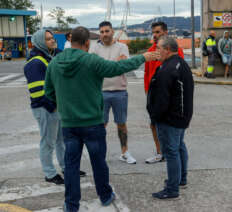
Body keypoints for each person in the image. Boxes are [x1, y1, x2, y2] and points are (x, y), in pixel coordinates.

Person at [44, 26, 159, 212]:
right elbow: (117, 68)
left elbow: (48, 92)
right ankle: (105, 196)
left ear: (71, 41)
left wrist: (64, 105)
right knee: (98, 162)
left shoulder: (55, 63)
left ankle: (71, 204)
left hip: (69, 124)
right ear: (87, 43)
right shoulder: (91, 60)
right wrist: (142, 58)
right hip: (92, 123)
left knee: (71, 166)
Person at [24, 29, 86, 185]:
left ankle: (67, 168)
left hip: (56, 107)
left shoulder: (50, 56)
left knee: (61, 141)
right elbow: (38, 92)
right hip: (45, 108)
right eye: (48, 39)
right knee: (48, 142)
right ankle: (50, 173)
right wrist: (53, 107)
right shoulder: (35, 62)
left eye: (52, 38)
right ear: (39, 42)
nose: (52, 41)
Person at [147, 36, 194, 199]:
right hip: (181, 116)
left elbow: (162, 99)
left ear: (167, 49)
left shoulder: (168, 69)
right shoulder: (180, 63)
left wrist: (155, 117)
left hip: (170, 118)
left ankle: (173, 188)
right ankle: (181, 179)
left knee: (171, 151)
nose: (156, 51)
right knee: (179, 146)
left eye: (158, 48)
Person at [89, 21, 136, 164]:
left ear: (112, 31)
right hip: (101, 92)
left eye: (107, 31)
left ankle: (125, 152)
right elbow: (92, 68)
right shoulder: (94, 48)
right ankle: (99, 154)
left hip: (119, 92)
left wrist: (106, 65)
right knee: (100, 125)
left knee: (121, 124)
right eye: (102, 32)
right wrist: (115, 63)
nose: (104, 34)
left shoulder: (122, 47)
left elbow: (124, 66)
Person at [144, 21, 184, 164]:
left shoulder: (175, 51)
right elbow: (147, 74)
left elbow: (180, 73)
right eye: (153, 32)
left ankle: (173, 151)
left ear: (165, 32)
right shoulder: (150, 51)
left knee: (171, 126)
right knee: (153, 124)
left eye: (158, 32)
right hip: (154, 96)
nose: (155, 35)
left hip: (169, 97)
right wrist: (147, 93)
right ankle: (160, 152)